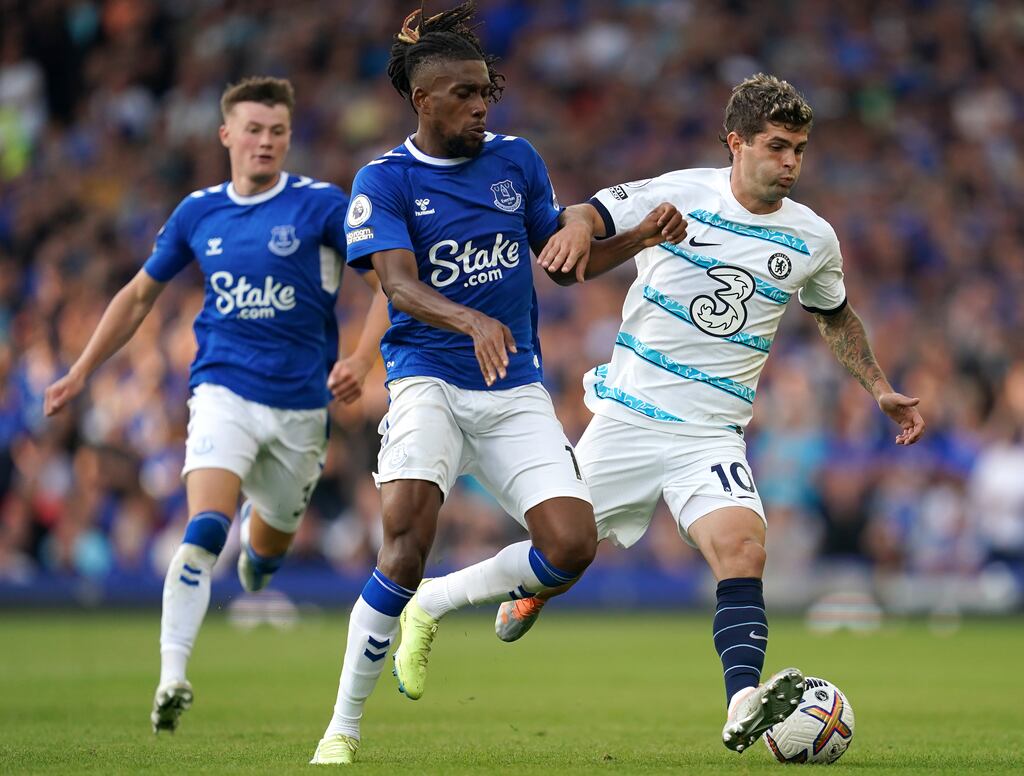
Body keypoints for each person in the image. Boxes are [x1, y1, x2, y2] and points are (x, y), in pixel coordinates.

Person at [482, 73, 928, 754]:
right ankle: (527, 590)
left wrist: (878, 386)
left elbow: (836, 318)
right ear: (737, 142)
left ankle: (742, 702)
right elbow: (589, 213)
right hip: (632, 415)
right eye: (778, 146)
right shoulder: (681, 191)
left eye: (800, 150)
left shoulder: (813, 236)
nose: (790, 163)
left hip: (710, 434)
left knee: (744, 549)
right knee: (562, 550)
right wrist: (573, 226)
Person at [309, 3, 685, 765]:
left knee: (573, 545)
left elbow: (561, 257)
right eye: (465, 94)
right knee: (405, 545)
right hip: (428, 381)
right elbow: (398, 286)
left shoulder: (517, 160)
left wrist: (638, 238)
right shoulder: (383, 180)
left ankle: (436, 608)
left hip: (513, 388)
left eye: (487, 91)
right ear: (423, 99)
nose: (482, 105)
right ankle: (341, 729)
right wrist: (470, 321)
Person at [43, 76, 390, 734]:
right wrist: (83, 369)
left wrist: (361, 358)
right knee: (205, 528)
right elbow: (139, 296)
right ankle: (172, 677)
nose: (265, 141)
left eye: (277, 131)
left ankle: (258, 565)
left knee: (265, 556)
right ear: (226, 134)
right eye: (254, 129)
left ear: (288, 137)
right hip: (223, 391)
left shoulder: (321, 206)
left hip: (300, 414)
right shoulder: (199, 212)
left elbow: (388, 283)